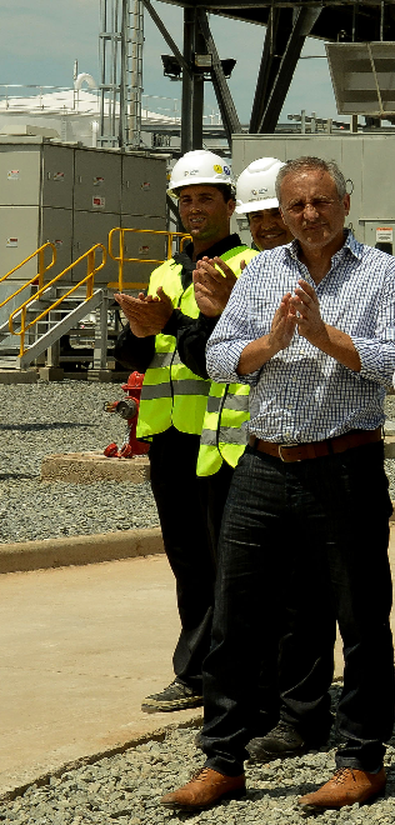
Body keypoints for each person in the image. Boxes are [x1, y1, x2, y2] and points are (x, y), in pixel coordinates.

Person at [161, 155, 395, 814]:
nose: (309, 215)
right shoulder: (266, 270)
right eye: (295, 205)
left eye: (320, 202)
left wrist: (325, 336)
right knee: (236, 615)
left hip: (345, 464)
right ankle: (224, 757)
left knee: (362, 619)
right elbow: (220, 356)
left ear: (345, 202)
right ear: (282, 210)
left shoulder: (383, 274)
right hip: (265, 464)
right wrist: (274, 339)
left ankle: (360, 758)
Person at [189, 155, 337, 764]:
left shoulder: (333, 271)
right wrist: (225, 322)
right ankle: (237, 718)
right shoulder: (241, 275)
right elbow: (212, 356)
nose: (269, 226)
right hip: (241, 454)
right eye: (260, 216)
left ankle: (296, 712)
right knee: (238, 598)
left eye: (272, 215)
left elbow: (368, 364)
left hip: (315, 451)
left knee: (305, 597)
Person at [113, 149, 253, 715]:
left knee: (228, 561)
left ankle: (230, 674)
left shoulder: (248, 268)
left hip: (218, 440)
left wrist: (170, 322)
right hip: (168, 434)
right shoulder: (166, 272)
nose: (193, 208)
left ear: (230, 205)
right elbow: (139, 357)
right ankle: (196, 672)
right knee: (188, 559)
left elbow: (224, 354)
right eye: (185, 198)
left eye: (205, 198)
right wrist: (141, 330)